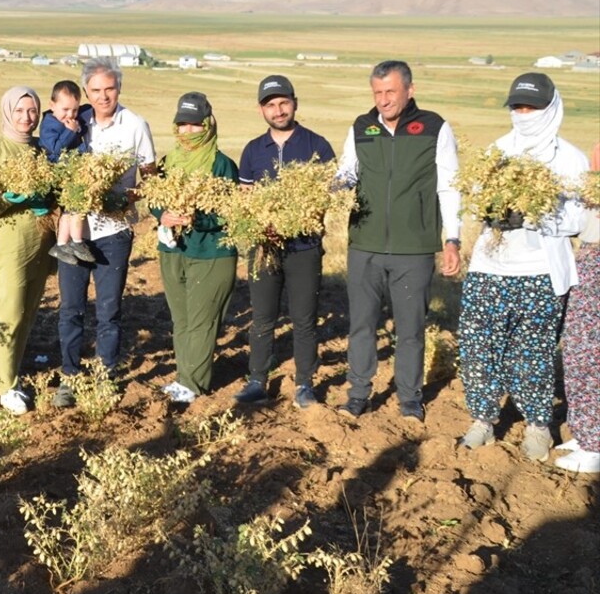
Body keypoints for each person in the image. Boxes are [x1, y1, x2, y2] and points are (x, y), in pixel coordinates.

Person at [457, 74, 588, 461]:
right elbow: (477, 200)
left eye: (531, 107)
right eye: (517, 107)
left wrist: (534, 215)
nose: (523, 114)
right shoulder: (497, 151)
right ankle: (482, 420)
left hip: (541, 272)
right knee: (478, 346)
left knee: (533, 353)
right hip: (489, 266)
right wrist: (493, 211)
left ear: (551, 108)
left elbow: (579, 220)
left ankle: (537, 427)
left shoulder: (570, 158)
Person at [335, 60, 461, 422]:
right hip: (365, 244)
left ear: (410, 89)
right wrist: (324, 187)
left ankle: (409, 399)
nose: (383, 100)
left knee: (410, 329)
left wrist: (452, 239)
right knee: (361, 324)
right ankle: (358, 393)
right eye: (377, 92)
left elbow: (449, 185)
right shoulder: (361, 127)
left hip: (414, 247)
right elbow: (347, 172)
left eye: (390, 91)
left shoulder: (434, 127)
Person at [53, 57, 155, 408]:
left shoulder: (136, 125)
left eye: (109, 88)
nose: (103, 95)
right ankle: (69, 376)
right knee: (71, 308)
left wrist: (125, 196)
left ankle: (106, 375)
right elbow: (51, 160)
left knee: (109, 309)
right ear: (86, 93)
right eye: (95, 90)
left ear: (119, 88)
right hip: (74, 231)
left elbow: (150, 177)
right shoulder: (75, 121)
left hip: (114, 230)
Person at [234, 76, 336, 409]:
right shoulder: (252, 150)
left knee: (304, 319)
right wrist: (261, 228)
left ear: (294, 103)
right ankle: (257, 380)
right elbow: (245, 199)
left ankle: (305, 384)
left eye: (283, 103)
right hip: (263, 248)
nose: (278, 111)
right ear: (261, 109)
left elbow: (324, 201)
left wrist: (294, 224)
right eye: (270, 105)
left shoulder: (317, 146)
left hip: (304, 248)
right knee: (263, 317)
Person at [152, 93, 239, 404]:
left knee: (203, 322)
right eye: (182, 125)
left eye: (195, 125)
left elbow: (228, 211)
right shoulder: (168, 162)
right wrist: (161, 214)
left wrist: (195, 218)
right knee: (183, 320)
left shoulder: (222, 164)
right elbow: (154, 198)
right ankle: (182, 378)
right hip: (173, 251)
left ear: (208, 125)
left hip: (211, 253)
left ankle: (193, 384)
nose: (188, 132)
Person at [0, 86, 56, 415]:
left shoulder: (42, 150)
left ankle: (14, 375)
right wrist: (8, 198)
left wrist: (47, 203)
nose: (27, 118)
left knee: (27, 315)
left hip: (40, 244)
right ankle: (5, 387)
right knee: (8, 315)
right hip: (11, 245)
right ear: (7, 113)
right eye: (20, 111)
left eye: (32, 111)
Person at [557, 140, 600, 473]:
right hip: (588, 251)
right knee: (576, 347)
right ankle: (584, 429)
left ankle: (593, 445)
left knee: (587, 351)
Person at [40, 80, 96, 265]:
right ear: (52, 105)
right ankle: (77, 242)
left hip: (73, 172)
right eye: (65, 110)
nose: (70, 115)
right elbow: (56, 148)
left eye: (75, 110)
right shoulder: (49, 125)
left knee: (69, 210)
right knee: (76, 207)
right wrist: (70, 131)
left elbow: (89, 108)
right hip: (62, 173)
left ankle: (62, 244)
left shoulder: (73, 117)